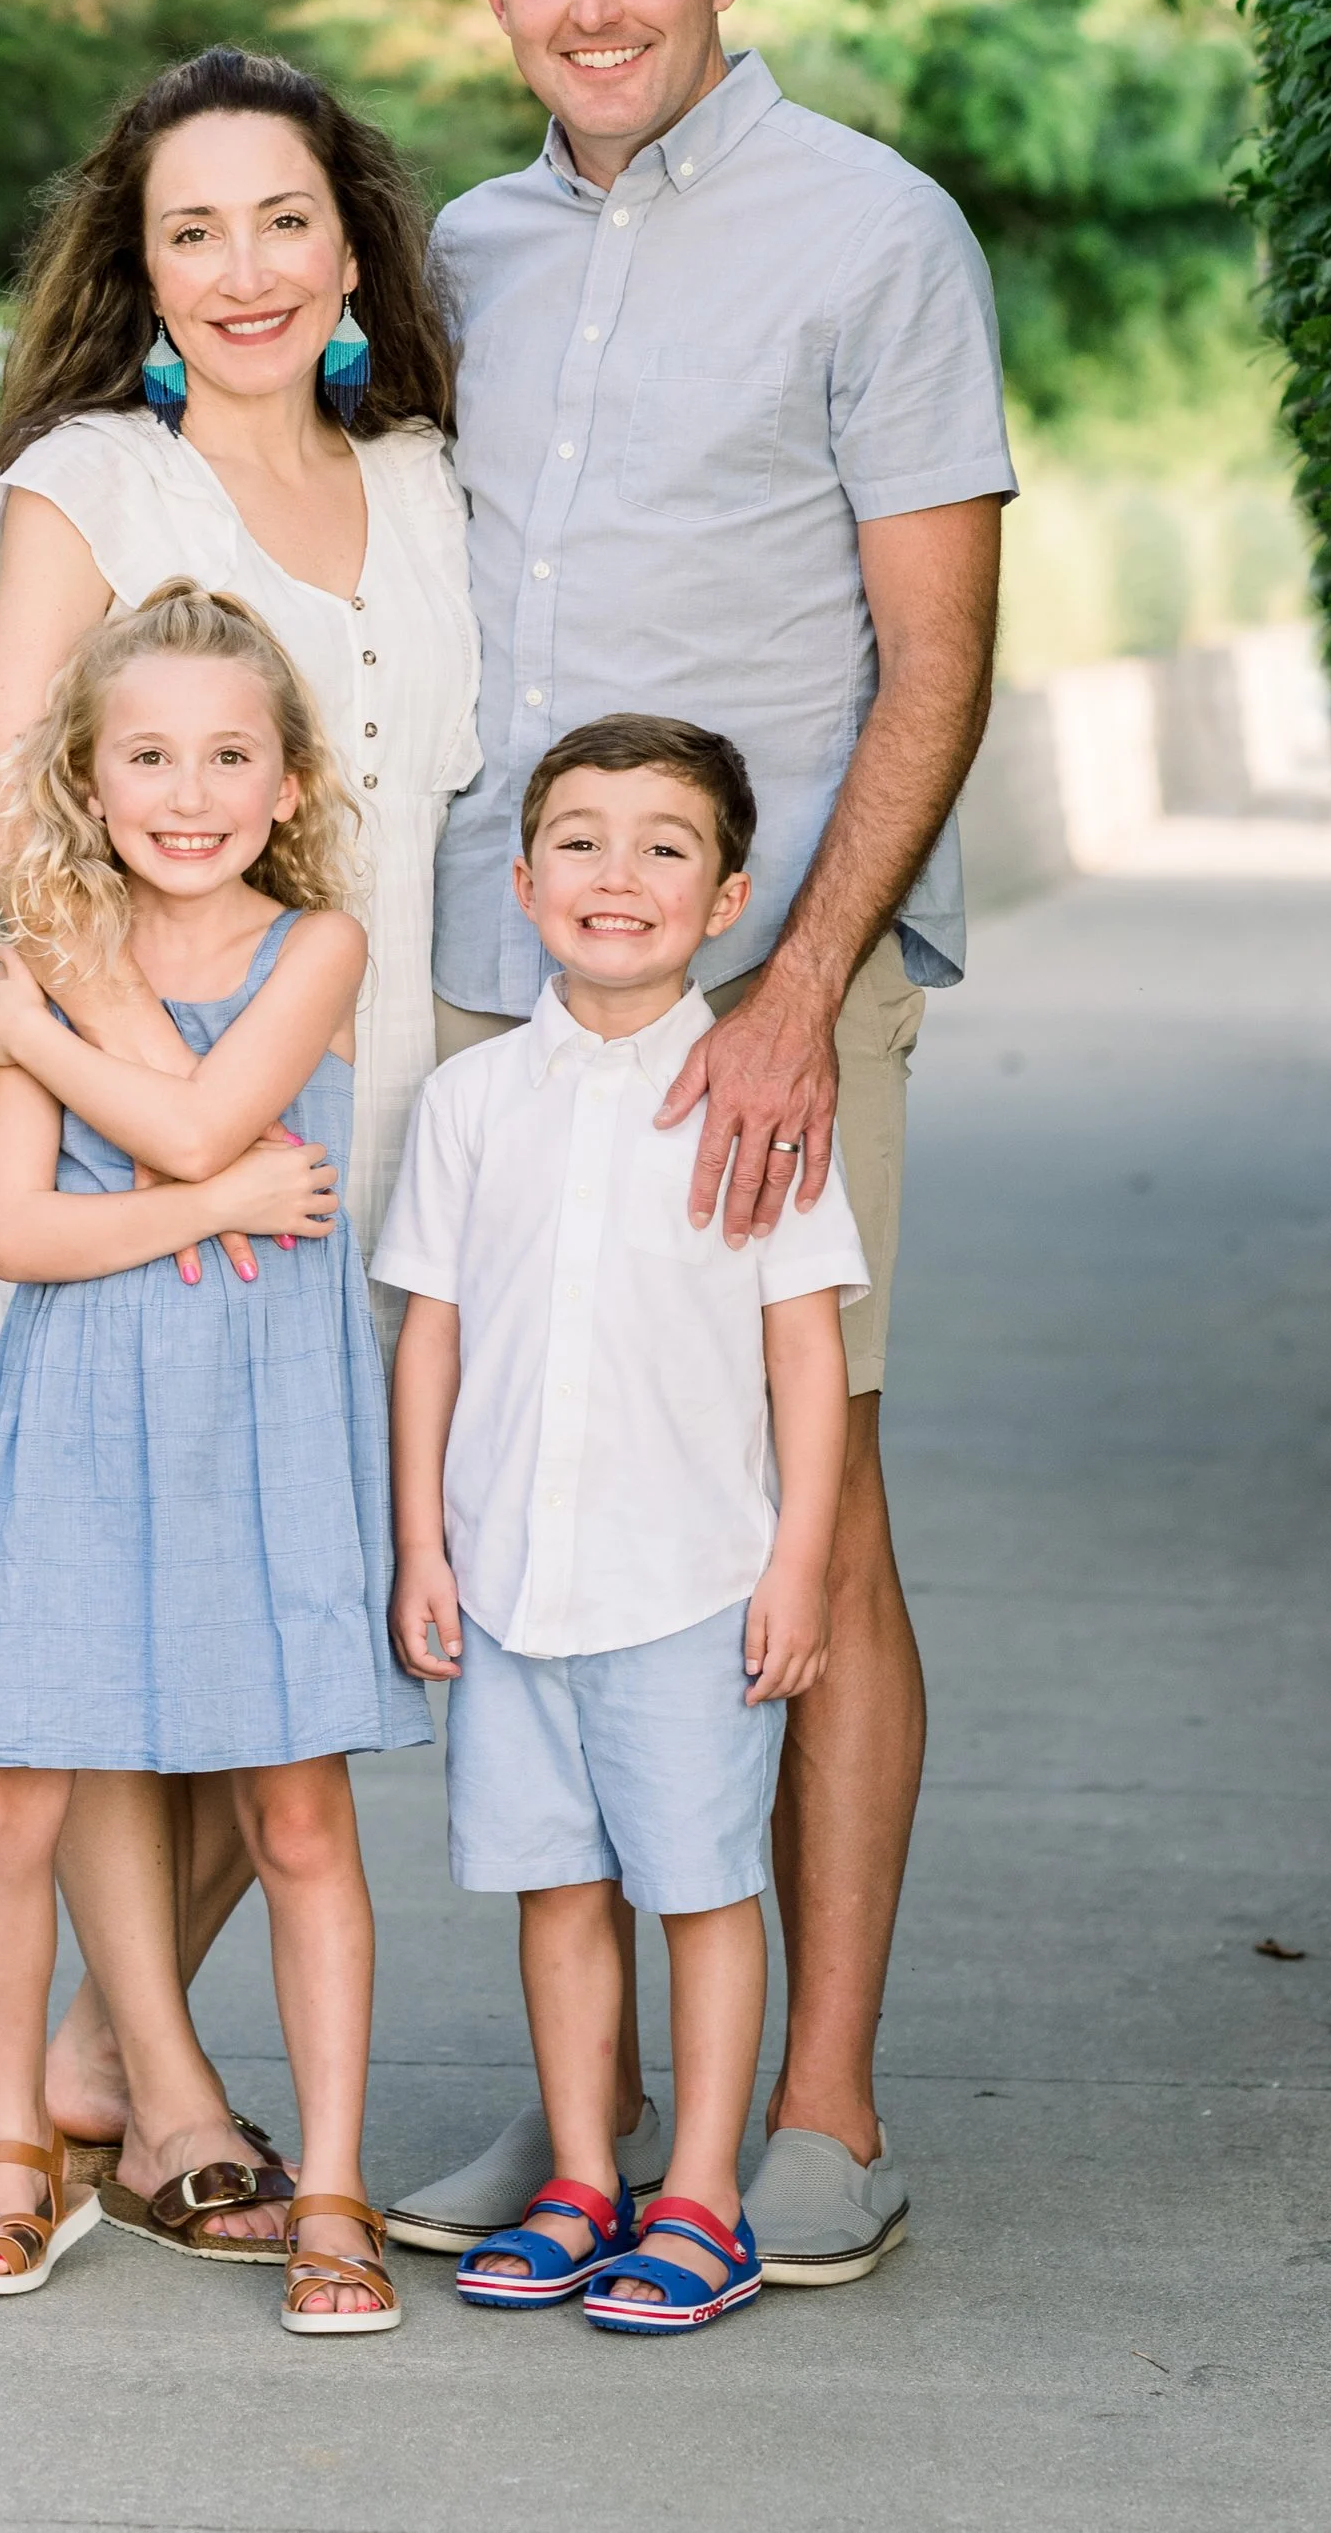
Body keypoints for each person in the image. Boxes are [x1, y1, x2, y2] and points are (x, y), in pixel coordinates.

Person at [387, 0, 1014, 2286]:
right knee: (548, 1510)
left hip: (775, 986)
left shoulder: (874, 229)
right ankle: (595, 2118)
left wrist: (783, 998)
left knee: (801, 1517)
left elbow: (934, 662)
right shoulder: (463, 245)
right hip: (500, 983)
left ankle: (817, 2110)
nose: (593, 1)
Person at [0, 47, 478, 2242]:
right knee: (101, 1629)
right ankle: (153, 2089)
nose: (241, 269)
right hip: (138, 1154)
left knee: (296, 1649)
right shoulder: (91, 483)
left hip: (389, 1143)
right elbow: (12, 821)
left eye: (280, 221)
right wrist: (153, 1105)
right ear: (137, 268)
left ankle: (80, 2052)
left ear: (350, 243)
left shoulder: (430, 484)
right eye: (191, 230)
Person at [0, 582, 424, 2334]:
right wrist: (207, 1202)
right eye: (147, 754)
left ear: (292, 783)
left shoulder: (322, 951)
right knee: (11, 1795)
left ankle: (339, 2194)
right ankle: (13, 2153)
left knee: (297, 1809)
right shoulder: (52, 955)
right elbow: (19, 1238)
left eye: (230, 754)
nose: (190, 790)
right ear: (86, 773)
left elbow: (218, 1118)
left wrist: (37, 1046)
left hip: (263, 1422)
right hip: (74, 1417)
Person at [381, 716, 860, 2333]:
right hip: (512, 1582)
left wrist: (798, 1564)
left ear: (728, 900)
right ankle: (588, 2172)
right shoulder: (471, 1100)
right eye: (581, 838)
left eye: (666, 846)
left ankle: (707, 2197)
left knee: (704, 1884)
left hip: (690, 1585)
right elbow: (431, 1333)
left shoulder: (763, 1102)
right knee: (557, 1885)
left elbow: (805, 1347)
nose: (619, 873)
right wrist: (424, 1550)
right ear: (522, 883)